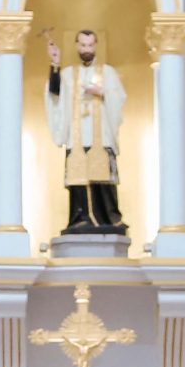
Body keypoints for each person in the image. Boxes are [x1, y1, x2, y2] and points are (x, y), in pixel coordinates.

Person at [47, 26, 124, 231]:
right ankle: (80, 218)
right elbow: (55, 94)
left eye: (90, 45)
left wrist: (102, 92)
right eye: (83, 45)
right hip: (78, 136)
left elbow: (119, 98)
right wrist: (55, 64)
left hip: (102, 136)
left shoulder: (107, 72)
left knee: (103, 179)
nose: (87, 49)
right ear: (77, 46)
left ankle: (109, 219)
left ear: (95, 45)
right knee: (79, 180)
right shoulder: (67, 74)